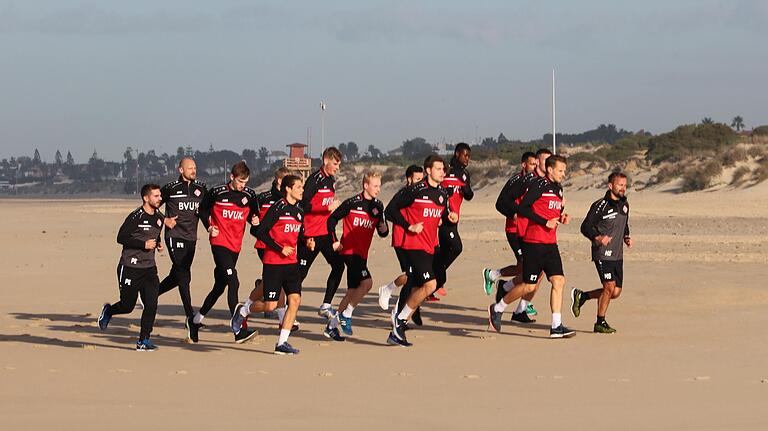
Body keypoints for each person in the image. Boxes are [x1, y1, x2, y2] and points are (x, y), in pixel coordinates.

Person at [488, 155, 576, 338]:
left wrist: (561, 217)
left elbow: (552, 211)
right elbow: (523, 209)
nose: (563, 174)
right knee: (529, 286)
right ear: (550, 169)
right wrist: (544, 222)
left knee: (559, 281)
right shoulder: (538, 185)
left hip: (551, 244)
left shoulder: (558, 189)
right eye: (560, 170)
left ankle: (556, 326)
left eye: (564, 171)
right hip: (533, 243)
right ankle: (498, 308)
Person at [230, 175, 313, 355]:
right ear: (288, 189)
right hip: (273, 263)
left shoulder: (299, 211)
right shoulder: (278, 208)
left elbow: (298, 236)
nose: (302, 190)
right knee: (270, 306)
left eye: (302, 187)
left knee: (295, 300)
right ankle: (243, 311)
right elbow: (261, 232)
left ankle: (282, 343)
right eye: (299, 187)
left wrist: (307, 242)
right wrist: (280, 248)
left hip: (292, 264)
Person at [385, 155, 457, 347]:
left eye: (444, 169)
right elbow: (390, 211)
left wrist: (448, 216)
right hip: (412, 245)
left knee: (420, 286)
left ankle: (397, 325)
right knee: (431, 284)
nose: (443, 172)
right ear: (428, 170)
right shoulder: (414, 190)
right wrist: (408, 226)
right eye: (439, 169)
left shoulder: (442, 193)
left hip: (429, 245)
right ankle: (399, 320)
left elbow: (436, 214)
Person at [189, 161, 259, 343]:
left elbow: (254, 215)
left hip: (236, 245)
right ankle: (237, 329)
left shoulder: (249, 195)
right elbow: (202, 210)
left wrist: (256, 221)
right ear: (232, 177)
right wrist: (209, 227)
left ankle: (195, 321)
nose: (243, 185)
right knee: (233, 280)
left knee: (219, 286)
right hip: (219, 243)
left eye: (246, 182)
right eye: (240, 181)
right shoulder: (217, 192)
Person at [483, 148, 552, 321]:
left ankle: (513, 298)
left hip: (532, 232)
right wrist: (514, 213)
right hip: (515, 230)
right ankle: (497, 279)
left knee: (536, 270)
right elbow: (501, 203)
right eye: (542, 161)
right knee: (528, 268)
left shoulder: (544, 182)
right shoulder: (523, 180)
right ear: (535, 162)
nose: (545, 164)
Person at [323, 171, 389, 341]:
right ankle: (347, 314)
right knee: (367, 283)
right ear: (365, 185)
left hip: (362, 253)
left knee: (352, 291)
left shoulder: (378, 206)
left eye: (379, 186)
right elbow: (331, 220)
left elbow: (383, 230)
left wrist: (384, 230)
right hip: (349, 252)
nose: (378, 189)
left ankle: (332, 326)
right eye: (375, 185)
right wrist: (335, 240)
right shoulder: (352, 203)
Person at [98, 184, 164, 351]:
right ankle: (109, 311)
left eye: (160, 196)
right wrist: (143, 244)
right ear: (146, 198)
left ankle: (143, 340)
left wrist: (158, 244)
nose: (159, 199)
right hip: (129, 267)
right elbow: (121, 237)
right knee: (127, 306)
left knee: (152, 304)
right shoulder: (136, 216)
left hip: (149, 268)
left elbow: (155, 236)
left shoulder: (159, 217)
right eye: (156, 196)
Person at [571, 172, 633, 333]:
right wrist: (598, 237)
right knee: (609, 286)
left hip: (617, 255)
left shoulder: (625, 204)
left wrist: (626, 237)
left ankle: (582, 296)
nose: (623, 188)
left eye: (625, 185)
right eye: (620, 185)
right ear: (610, 186)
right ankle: (600, 322)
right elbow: (585, 227)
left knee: (615, 292)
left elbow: (624, 223)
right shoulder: (600, 205)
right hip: (602, 252)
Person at [157, 157, 207, 340]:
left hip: (191, 238)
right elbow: (152, 205)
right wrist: (165, 220)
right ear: (180, 170)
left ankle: (151, 294)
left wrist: (210, 225)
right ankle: (190, 317)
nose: (193, 170)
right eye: (190, 168)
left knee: (177, 275)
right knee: (184, 275)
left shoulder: (201, 188)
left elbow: (206, 210)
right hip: (174, 236)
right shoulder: (170, 188)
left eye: (195, 167)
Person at [297, 147, 345, 319]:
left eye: (339, 164)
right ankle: (283, 306)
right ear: (326, 160)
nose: (337, 168)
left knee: (339, 266)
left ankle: (326, 305)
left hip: (325, 234)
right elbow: (303, 205)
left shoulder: (331, 180)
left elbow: (328, 209)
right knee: (299, 274)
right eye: (335, 163)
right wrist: (326, 207)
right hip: (310, 235)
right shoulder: (314, 180)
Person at [247, 167, 298, 328]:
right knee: (279, 281)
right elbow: (253, 219)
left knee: (271, 283)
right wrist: (254, 221)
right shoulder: (264, 197)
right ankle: (282, 317)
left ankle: (250, 303)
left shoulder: (291, 202)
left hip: (283, 248)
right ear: (279, 181)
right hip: (265, 245)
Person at [377, 165, 424, 310]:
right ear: (409, 179)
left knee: (414, 276)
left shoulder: (419, 193)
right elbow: (388, 212)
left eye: (421, 180)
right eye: (417, 179)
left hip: (414, 240)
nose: (420, 182)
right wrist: (407, 226)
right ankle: (390, 294)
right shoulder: (403, 193)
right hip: (401, 239)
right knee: (411, 275)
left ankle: (399, 309)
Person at [434, 143, 473, 298]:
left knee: (445, 250)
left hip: (455, 217)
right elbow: (435, 190)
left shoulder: (464, 174)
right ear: (457, 154)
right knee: (456, 247)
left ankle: (434, 282)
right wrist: (445, 192)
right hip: (444, 218)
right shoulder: (445, 170)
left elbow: (469, 196)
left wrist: (466, 189)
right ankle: (436, 276)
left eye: (469, 156)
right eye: (465, 155)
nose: (467, 159)